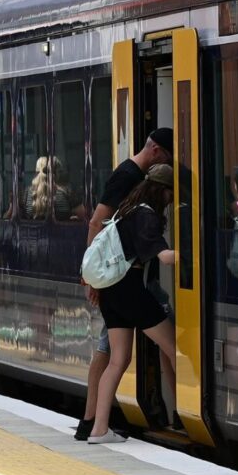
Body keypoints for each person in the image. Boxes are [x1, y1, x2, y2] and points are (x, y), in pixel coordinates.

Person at [75, 128, 172, 441]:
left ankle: (96, 428)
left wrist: (98, 280)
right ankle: (181, 414)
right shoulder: (140, 205)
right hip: (126, 287)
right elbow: (94, 223)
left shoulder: (128, 207)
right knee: (175, 349)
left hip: (113, 290)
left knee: (117, 358)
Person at [26, 156, 85, 221]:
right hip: (62, 231)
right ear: (55, 173)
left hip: (33, 231)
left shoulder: (28, 193)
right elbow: (83, 214)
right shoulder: (65, 192)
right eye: (59, 171)